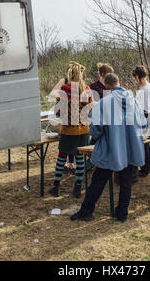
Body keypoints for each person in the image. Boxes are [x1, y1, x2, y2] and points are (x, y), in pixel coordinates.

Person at [71, 73, 147, 222]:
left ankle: (86, 211)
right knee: (126, 182)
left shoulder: (104, 103)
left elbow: (95, 130)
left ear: (106, 85)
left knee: (98, 181)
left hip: (110, 149)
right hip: (130, 148)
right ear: (119, 83)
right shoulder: (134, 101)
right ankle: (122, 213)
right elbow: (143, 125)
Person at [49, 62, 94, 198]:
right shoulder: (87, 89)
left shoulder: (65, 89)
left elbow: (59, 110)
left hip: (69, 129)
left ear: (69, 74)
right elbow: (90, 108)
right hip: (84, 128)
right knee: (80, 157)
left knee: (62, 156)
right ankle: (78, 186)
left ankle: (56, 186)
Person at [132, 65, 150, 177]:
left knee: (143, 143)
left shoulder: (145, 89)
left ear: (137, 76)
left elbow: (144, 107)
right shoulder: (146, 86)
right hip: (144, 117)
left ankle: (146, 167)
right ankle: (146, 166)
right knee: (143, 143)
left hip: (144, 117)